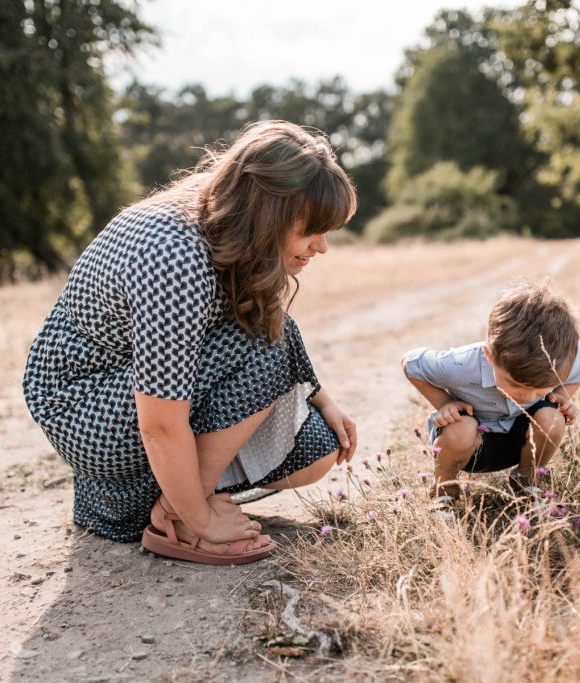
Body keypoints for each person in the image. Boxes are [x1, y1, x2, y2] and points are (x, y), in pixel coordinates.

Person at [23, 121, 358, 565]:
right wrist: (200, 517)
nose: (322, 247)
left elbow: (264, 319)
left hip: (133, 393)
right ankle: (181, 519)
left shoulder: (228, 209)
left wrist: (321, 397)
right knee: (264, 350)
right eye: (311, 230)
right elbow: (160, 422)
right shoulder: (175, 256)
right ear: (268, 214)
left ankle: (145, 500)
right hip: (85, 407)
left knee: (316, 449)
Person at [401, 282, 580, 502]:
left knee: (553, 417)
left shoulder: (562, 357)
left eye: (539, 389)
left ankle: (526, 480)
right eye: (516, 385)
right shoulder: (460, 365)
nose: (528, 397)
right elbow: (411, 363)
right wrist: (444, 403)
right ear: (489, 356)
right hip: (468, 444)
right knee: (462, 428)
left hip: (520, 440)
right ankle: (444, 492)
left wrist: (561, 394)